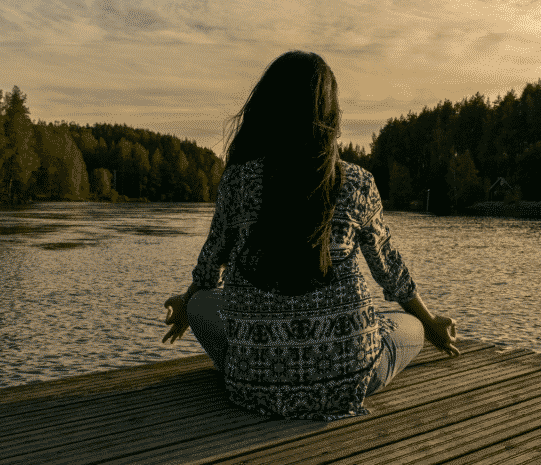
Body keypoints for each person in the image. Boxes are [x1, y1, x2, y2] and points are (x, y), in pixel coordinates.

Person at [161, 50, 459, 421]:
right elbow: (390, 271)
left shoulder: (238, 180)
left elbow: (210, 267)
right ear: (330, 115)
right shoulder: (357, 182)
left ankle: (256, 364)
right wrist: (431, 323)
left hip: (253, 388)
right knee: (409, 325)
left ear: (267, 108)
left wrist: (187, 301)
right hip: (350, 381)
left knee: (203, 304)